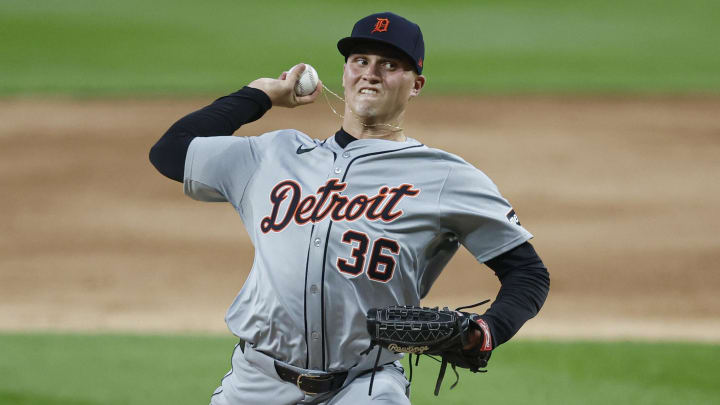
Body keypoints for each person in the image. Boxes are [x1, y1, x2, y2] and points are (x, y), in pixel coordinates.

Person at [150, 11, 549, 405]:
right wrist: (260, 95)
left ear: (416, 85)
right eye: (360, 61)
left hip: (367, 386)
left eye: (389, 65)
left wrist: (488, 330)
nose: (371, 74)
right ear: (344, 73)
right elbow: (170, 152)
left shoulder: (445, 177)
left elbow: (528, 272)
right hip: (257, 381)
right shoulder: (273, 154)